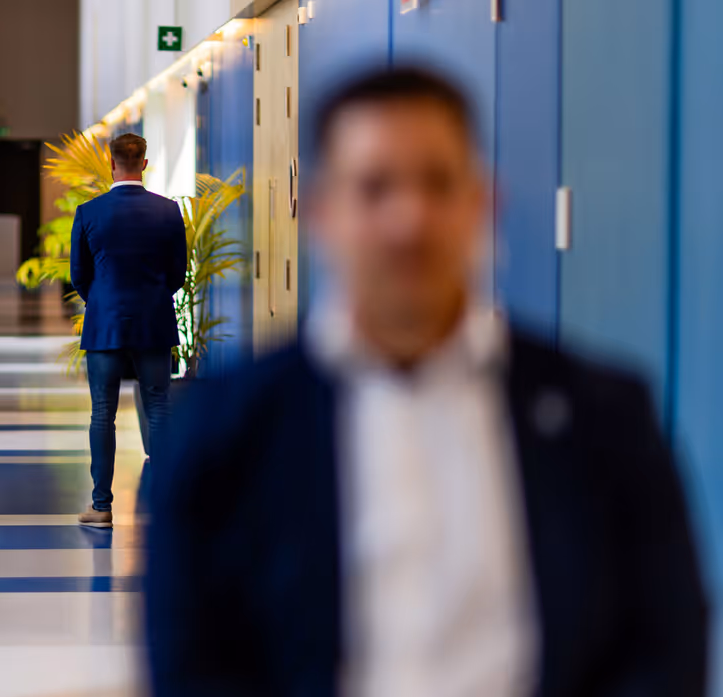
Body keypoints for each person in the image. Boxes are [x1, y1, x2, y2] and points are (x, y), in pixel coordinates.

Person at [143, 67, 708, 696]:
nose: (409, 220)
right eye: (375, 188)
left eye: (438, 184)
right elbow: (190, 662)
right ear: (322, 213)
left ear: (482, 204)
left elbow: (666, 644)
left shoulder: (602, 416)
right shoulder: (224, 429)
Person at [71, 133, 187, 528]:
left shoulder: (89, 212)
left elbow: (79, 275)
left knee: (102, 413)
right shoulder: (168, 211)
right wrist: (152, 297)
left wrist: (103, 301)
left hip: (105, 322)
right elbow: (177, 273)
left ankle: (101, 506)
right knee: (159, 406)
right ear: (145, 163)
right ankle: (168, 505)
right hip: (154, 320)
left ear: (111, 163)